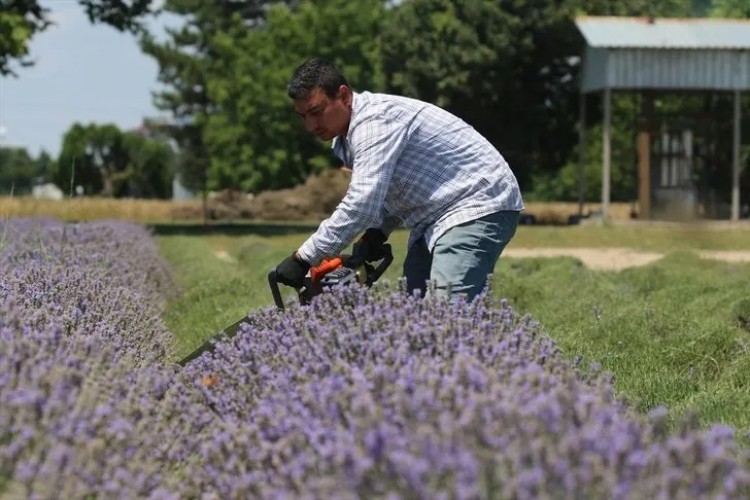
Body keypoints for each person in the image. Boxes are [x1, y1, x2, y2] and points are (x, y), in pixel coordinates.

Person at [275, 57, 524, 301]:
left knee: (446, 313)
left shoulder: (373, 123)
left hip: (477, 202)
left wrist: (304, 258)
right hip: (433, 218)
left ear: (343, 95)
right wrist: (376, 234)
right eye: (303, 116)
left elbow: (361, 204)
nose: (310, 125)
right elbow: (392, 187)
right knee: (412, 312)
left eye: (316, 112)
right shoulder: (346, 137)